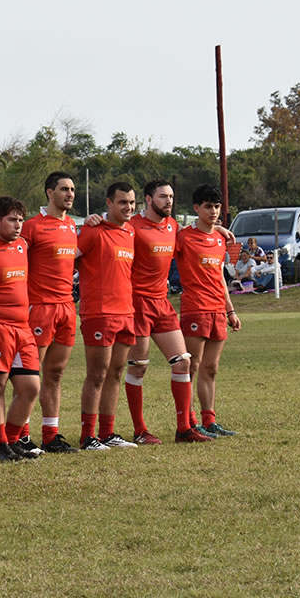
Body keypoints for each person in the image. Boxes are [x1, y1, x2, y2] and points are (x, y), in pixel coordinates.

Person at [122, 181, 195, 445]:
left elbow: (191, 238)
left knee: (182, 361)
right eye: (163, 196)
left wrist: (217, 228)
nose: (169, 201)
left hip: (162, 302)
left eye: (172, 196)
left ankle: (184, 428)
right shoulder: (131, 226)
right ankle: (140, 430)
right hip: (137, 303)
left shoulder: (172, 226)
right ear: (148, 200)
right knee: (138, 368)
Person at [75, 182, 139, 451]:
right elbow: (67, 259)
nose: (128, 208)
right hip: (99, 313)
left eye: (132, 203)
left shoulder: (131, 232)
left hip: (126, 312)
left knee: (115, 373)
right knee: (97, 375)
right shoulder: (93, 230)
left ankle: (108, 432)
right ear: (109, 203)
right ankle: (88, 436)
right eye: (123, 202)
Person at [174, 185, 242, 440]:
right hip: (195, 309)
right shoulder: (183, 237)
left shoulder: (220, 239)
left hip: (217, 310)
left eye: (216, 207)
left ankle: (209, 420)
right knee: (191, 367)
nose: (213, 211)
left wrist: (231, 310)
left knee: (211, 368)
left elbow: (220, 279)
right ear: (196, 209)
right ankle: (189, 423)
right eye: (208, 207)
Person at [20, 172, 80, 453]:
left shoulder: (71, 225)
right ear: (49, 193)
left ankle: (51, 434)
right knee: (29, 376)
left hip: (67, 307)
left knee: (55, 373)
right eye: (64, 189)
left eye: (72, 189)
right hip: (39, 308)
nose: (69, 194)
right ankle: (22, 434)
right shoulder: (31, 226)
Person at [0, 196, 41, 462]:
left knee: (30, 387)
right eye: (12, 220)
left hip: (23, 327)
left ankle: (12, 440)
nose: (18, 225)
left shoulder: (22, 246)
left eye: (20, 220)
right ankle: (0, 445)